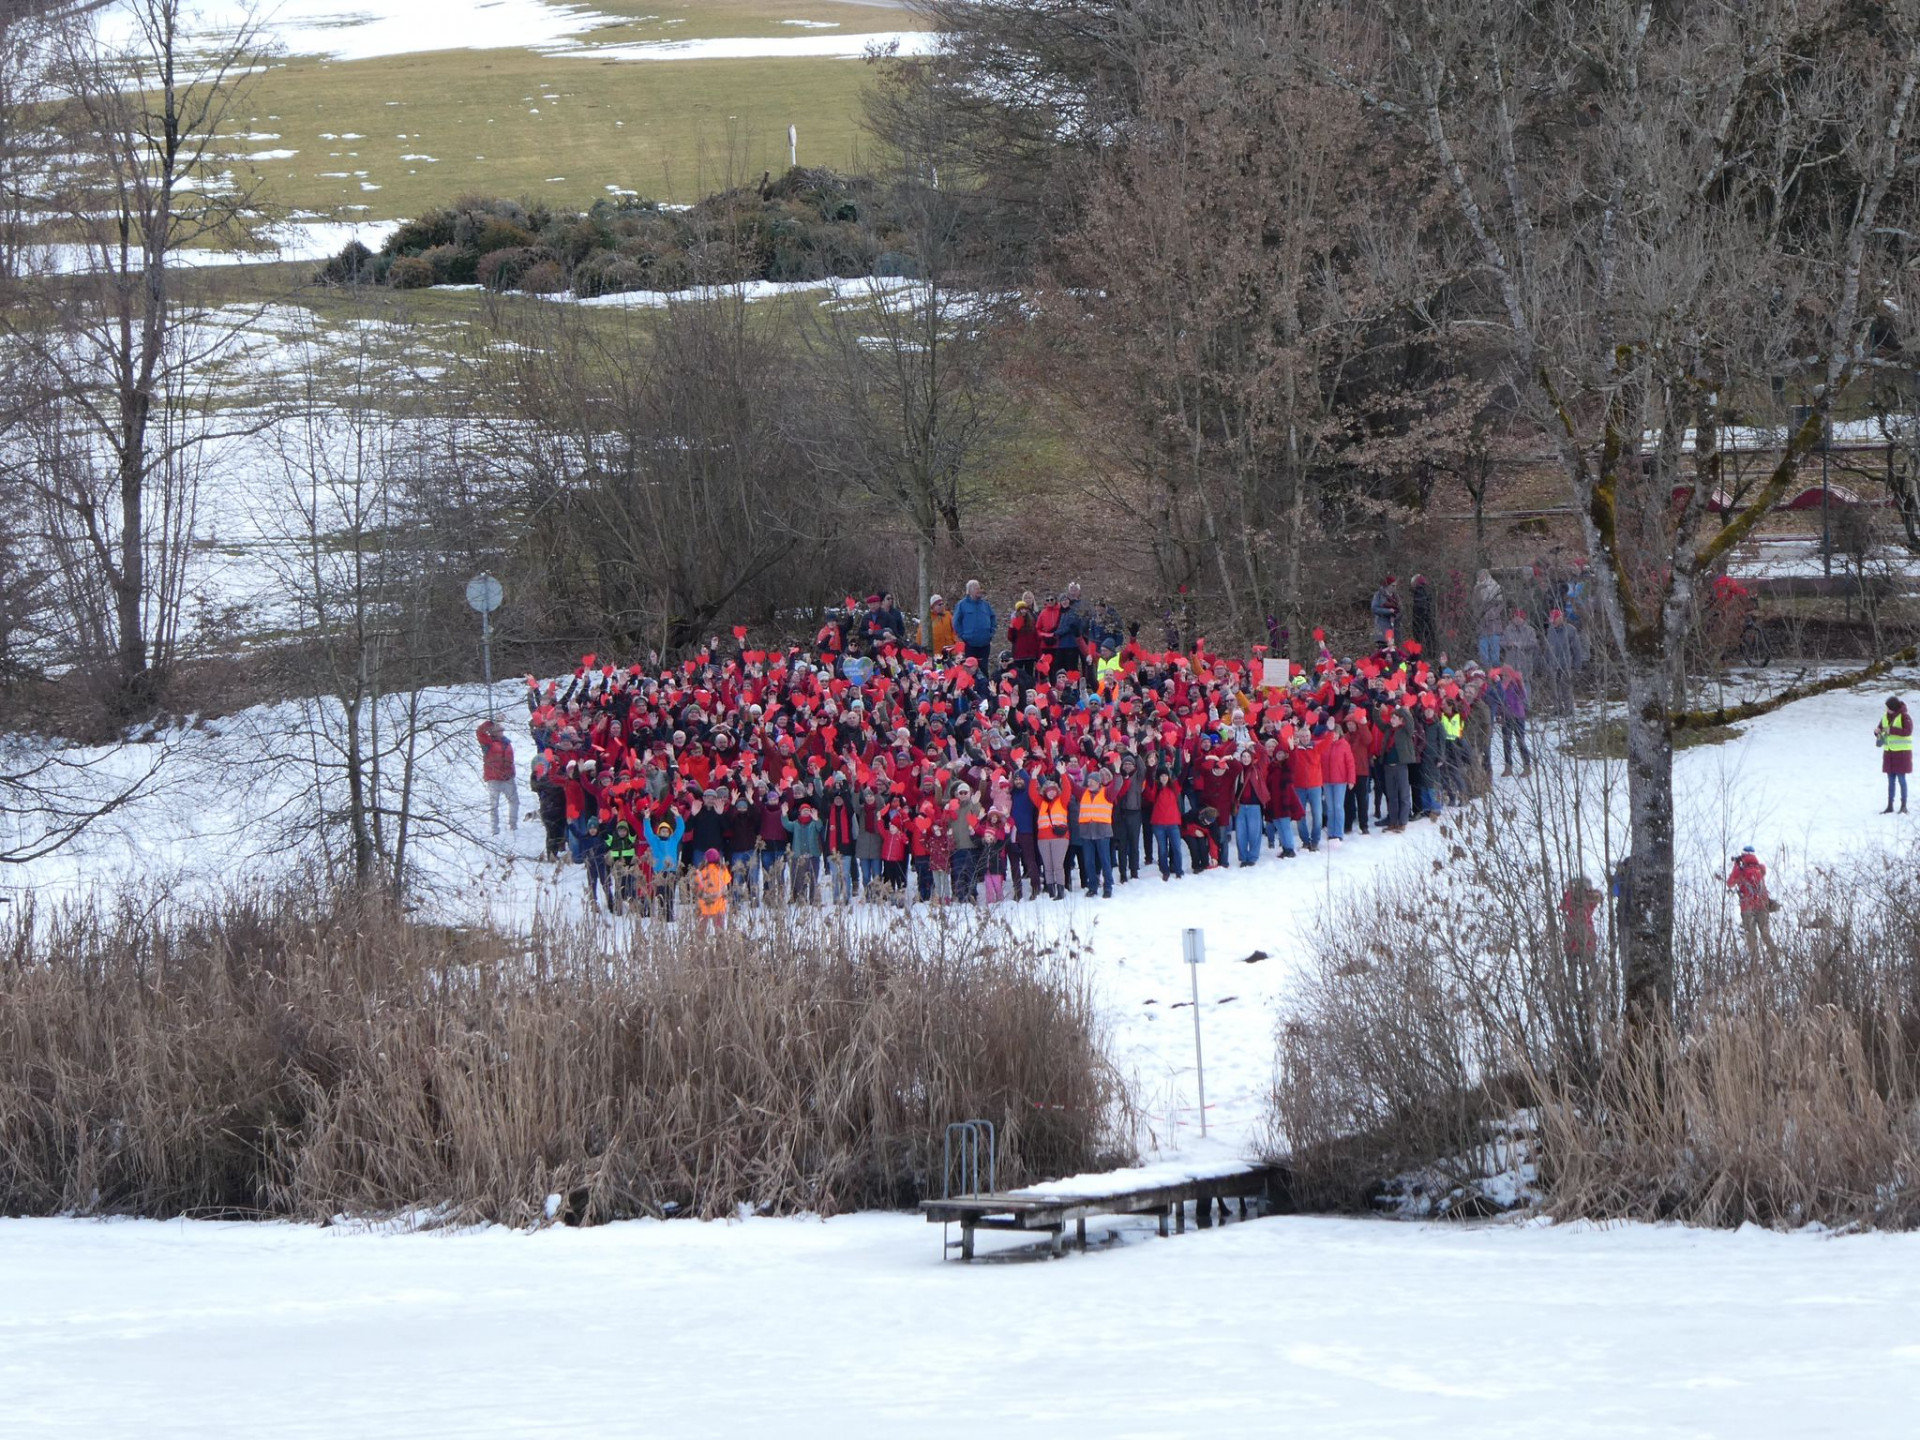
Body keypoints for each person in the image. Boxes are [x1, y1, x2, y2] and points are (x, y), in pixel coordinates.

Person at [1726, 846, 1780, 963]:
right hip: (1763, 906)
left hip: (1748, 908)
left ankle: (1755, 966)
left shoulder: (1741, 871)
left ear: (1743, 855)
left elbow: (1730, 883)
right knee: (1766, 935)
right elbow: (1762, 870)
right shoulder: (1760, 869)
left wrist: (1736, 864)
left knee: (1751, 937)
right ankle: (1776, 963)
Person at [477, 719, 519, 835]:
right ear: (493, 732)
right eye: (499, 730)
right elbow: (479, 732)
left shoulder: (507, 743)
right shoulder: (487, 743)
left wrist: (512, 773)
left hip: (507, 777)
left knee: (514, 801)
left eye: (502, 730)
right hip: (494, 778)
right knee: (494, 805)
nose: (501, 732)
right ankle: (494, 828)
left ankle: (513, 824)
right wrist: (490, 722)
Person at [1877, 696, 1912, 814]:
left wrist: (1892, 730)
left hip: (1902, 754)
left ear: (1894, 708)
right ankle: (1890, 805)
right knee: (1890, 781)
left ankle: (1903, 806)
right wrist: (1876, 732)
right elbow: (1881, 729)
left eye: (1888, 708)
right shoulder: (1885, 717)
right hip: (1889, 754)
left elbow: (1908, 731)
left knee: (1902, 780)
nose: (1886, 710)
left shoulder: (1905, 717)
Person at [952, 580, 997, 669]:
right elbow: (956, 622)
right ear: (970, 591)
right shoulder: (962, 605)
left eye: (979, 588)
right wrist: (963, 636)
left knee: (984, 669)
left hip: (985, 643)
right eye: (977, 589)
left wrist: (991, 633)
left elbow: (993, 618)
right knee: (971, 669)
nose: (979, 590)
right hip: (970, 644)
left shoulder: (985, 604)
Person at [1473, 569, 1505, 668]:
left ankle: (1496, 675)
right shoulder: (1476, 588)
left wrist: (1491, 614)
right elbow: (1474, 606)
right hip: (1482, 626)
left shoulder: (1495, 586)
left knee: (1495, 655)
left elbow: (1501, 604)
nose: (1481, 577)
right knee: (1483, 656)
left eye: (1483, 575)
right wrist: (1478, 614)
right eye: (1480, 575)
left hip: (1494, 625)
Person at [693, 849, 732, 926]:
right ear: (718, 858)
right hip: (719, 905)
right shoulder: (723, 871)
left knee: (701, 931)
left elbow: (696, 887)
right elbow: (728, 880)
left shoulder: (700, 872)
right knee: (719, 931)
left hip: (704, 906)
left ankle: (701, 938)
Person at [1370, 576, 1400, 643]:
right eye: (1393, 586)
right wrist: (1388, 611)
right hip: (1382, 627)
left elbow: (1401, 610)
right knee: (1383, 649)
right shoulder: (1379, 595)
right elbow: (1374, 608)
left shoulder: (1396, 596)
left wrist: (1396, 615)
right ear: (1387, 585)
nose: (1395, 588)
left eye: (1395, 586)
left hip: (1395, 628)